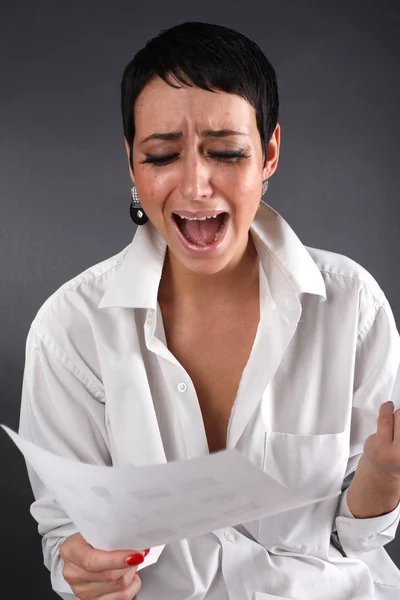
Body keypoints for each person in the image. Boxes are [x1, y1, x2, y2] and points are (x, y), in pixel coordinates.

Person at [18, 20, 400, 600]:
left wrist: (384, 474)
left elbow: (356, 540)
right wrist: (86, 569)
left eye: (225, 152)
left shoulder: (353, 305)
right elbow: (64, 538)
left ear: (269, 154)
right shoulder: (68, 330)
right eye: (162, 155)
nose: (196, 185)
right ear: (131, 162)